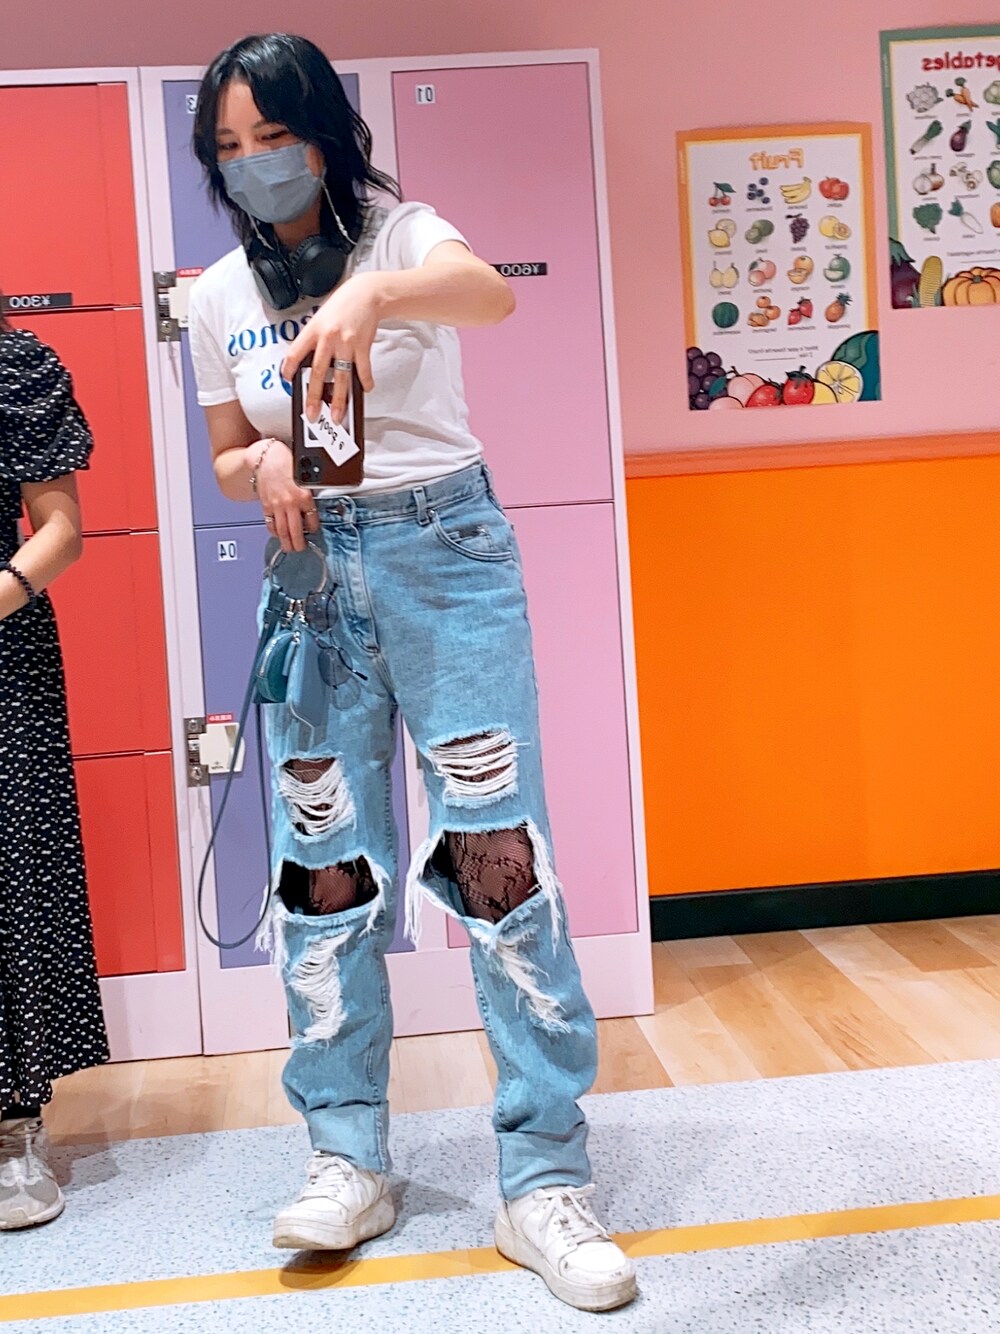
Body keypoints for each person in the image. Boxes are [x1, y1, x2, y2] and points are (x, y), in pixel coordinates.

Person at [188, 33, 637, 1312]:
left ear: (326, 135)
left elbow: (486, 295)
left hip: (442, 555)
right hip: (311, 575)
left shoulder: (403, 235)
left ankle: (542, 1179)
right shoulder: (215, 294)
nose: (255, 163)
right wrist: (265, 464)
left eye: (276, 136)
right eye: (230, 147)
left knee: (498, 861)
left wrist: (371, 296)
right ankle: (347, 1157)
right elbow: (226, 450)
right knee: (323, 873)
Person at [0, 302, 109, 1230]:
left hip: (1, 646)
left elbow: (60, 530)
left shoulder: (16, 368)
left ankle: (11, 1124)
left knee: (9, 883)